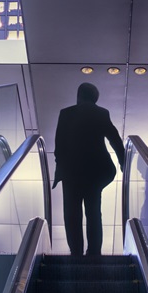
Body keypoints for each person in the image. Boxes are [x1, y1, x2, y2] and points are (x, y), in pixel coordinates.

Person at [53, 82, 125, 256]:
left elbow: (59, 145)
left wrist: (60, 167)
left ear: (79, 96)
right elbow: (114, 139)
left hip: (71, 173)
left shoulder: (66, 113)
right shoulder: (101, 113)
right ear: (95, 98)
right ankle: (94, 252)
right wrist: (124, 163)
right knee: (93, 212)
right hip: (95, 172)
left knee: (71, 215)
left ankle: (76, 252)